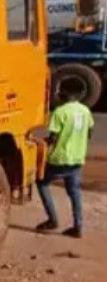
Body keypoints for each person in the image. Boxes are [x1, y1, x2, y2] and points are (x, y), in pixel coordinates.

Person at [37, 87, 95, 238]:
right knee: (74, 191)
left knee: (42, 183)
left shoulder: (60, 112)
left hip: (60, 158)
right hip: (77, 158)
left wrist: (40, 143)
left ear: (63, 96)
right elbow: (89, 133)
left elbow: (53, 138)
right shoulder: (85, 111)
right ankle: (78, 226)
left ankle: (52, 220)